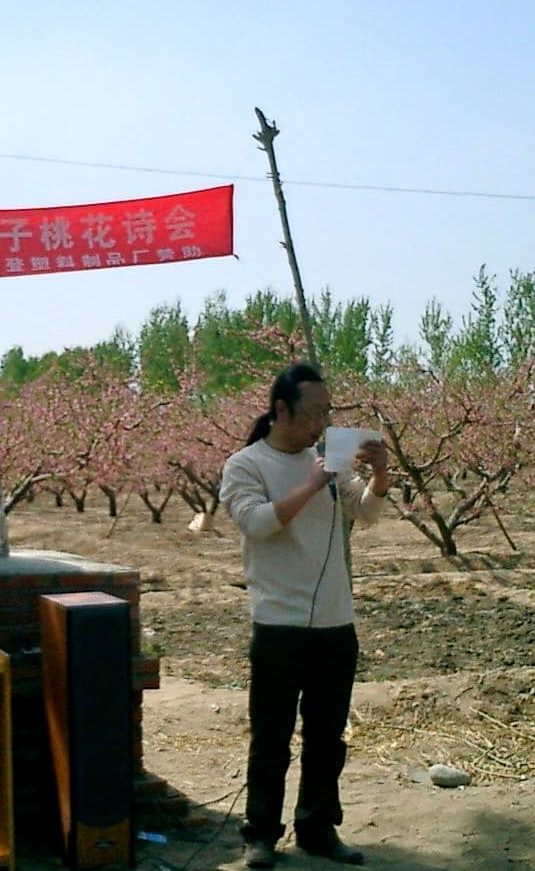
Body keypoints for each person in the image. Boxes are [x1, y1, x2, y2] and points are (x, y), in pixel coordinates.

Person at [218, 362, 391, 868]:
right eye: (313, 412)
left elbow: (366, 511)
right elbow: (256, 523)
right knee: (271, 735)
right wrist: (315, 484)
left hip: (336, 622)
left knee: (326, 736)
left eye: (327, 413)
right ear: (280, 410)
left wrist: (378, 475)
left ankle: (317, 827)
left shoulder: (327, 463)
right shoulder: (246, 465)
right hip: (279, 623)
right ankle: (261, 834)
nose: (321, 423)